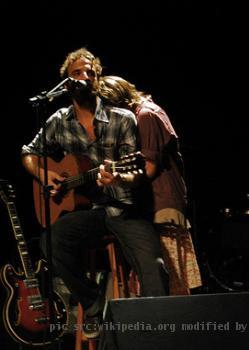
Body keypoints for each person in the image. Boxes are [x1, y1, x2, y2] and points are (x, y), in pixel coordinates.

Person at [21, 48, 169, 338]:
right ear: (66, 83)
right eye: (77, 73)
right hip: (91, 210)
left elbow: (137, 172)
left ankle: (155, 332)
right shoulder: (58, 121)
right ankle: (91, 302)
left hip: (126, 208)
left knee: (154, 267)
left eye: (91, 73)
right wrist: (46, 175)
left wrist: (118, 176)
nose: (85, 77)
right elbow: (28, 153)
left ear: (98, 80)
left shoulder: (122, 118)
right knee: (51, 241)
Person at [98, 75, 202, 295]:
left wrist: (116, 176)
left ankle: (175, 325)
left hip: (161, 203)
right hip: (152, 203)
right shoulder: (143, 111)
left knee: (170, 277)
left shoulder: (145, 115)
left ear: (119, 103)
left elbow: (149, 168)